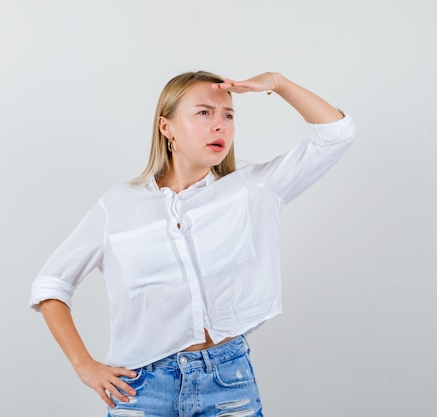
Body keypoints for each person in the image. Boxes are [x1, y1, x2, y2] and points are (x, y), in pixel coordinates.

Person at [29, 71, 356, 417]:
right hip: (140, 388)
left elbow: (336, 135)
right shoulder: (118, 206)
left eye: (228, 115)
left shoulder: (253, 190)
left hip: (227, 383)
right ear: (166, 127)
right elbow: (52, 284)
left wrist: (278, 83)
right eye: (204, 113)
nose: (220, 126)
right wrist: (84, 366)